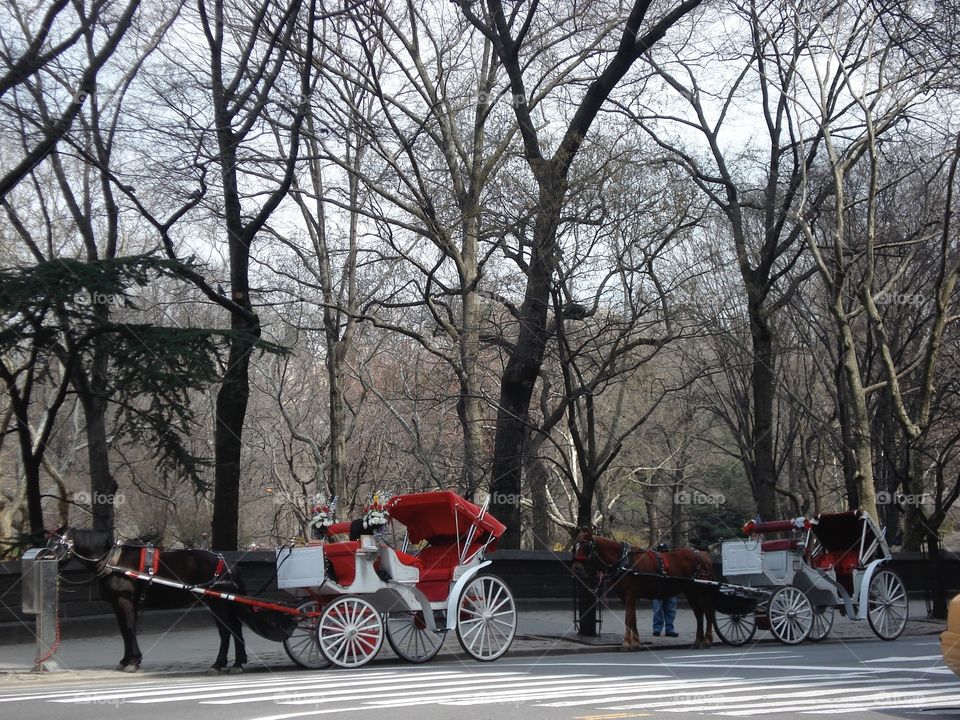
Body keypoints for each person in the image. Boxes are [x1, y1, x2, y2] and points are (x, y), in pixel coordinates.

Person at [652, 542, 679, 637]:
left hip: (670, 588)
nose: (662, 553)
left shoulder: (672, 561)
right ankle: (657, 629)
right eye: (660, 551)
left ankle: (669, 629)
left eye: (663, 551)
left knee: (671, 610)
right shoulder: (655, 561)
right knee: (657, 610)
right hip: (659, 589)